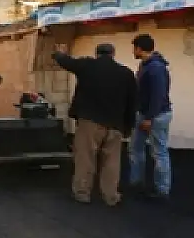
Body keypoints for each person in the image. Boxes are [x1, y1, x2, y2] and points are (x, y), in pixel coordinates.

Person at [52, 42, 137, 207]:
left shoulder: (87, 65)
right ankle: (111, 196)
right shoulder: (126, 73)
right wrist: (128, 127)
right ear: (113, 54)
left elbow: (67, 62)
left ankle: (82, 193)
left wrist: (59, 54)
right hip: (115, 124)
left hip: (89, 122)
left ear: (97, 54)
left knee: (85, 158)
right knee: (112, 162)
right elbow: (132, 102)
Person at [129, 33, 173, 202]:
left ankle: (162, 190)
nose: (133, 51)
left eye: (134, 48)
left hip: (155, 115)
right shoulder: (147, 65)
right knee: (136, 148)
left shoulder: (154, 68)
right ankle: (137, 181)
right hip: (147, 113)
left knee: (159, 152)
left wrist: (149, 117)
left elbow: (158, 95)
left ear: (139, 48)